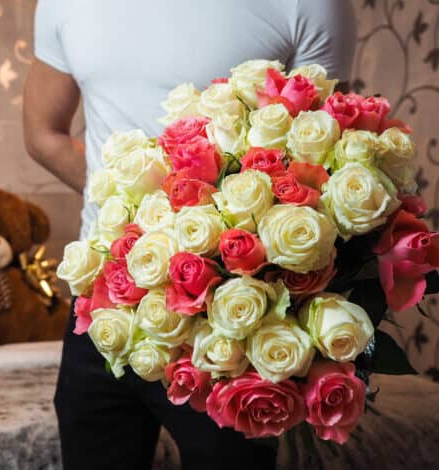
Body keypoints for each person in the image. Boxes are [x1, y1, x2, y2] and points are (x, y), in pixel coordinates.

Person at [23, 1, 356, 468]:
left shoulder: (308, 4)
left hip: (235, 319)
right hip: (104, 305)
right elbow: (43, 133)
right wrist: (135, 208)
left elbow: (324, 161)